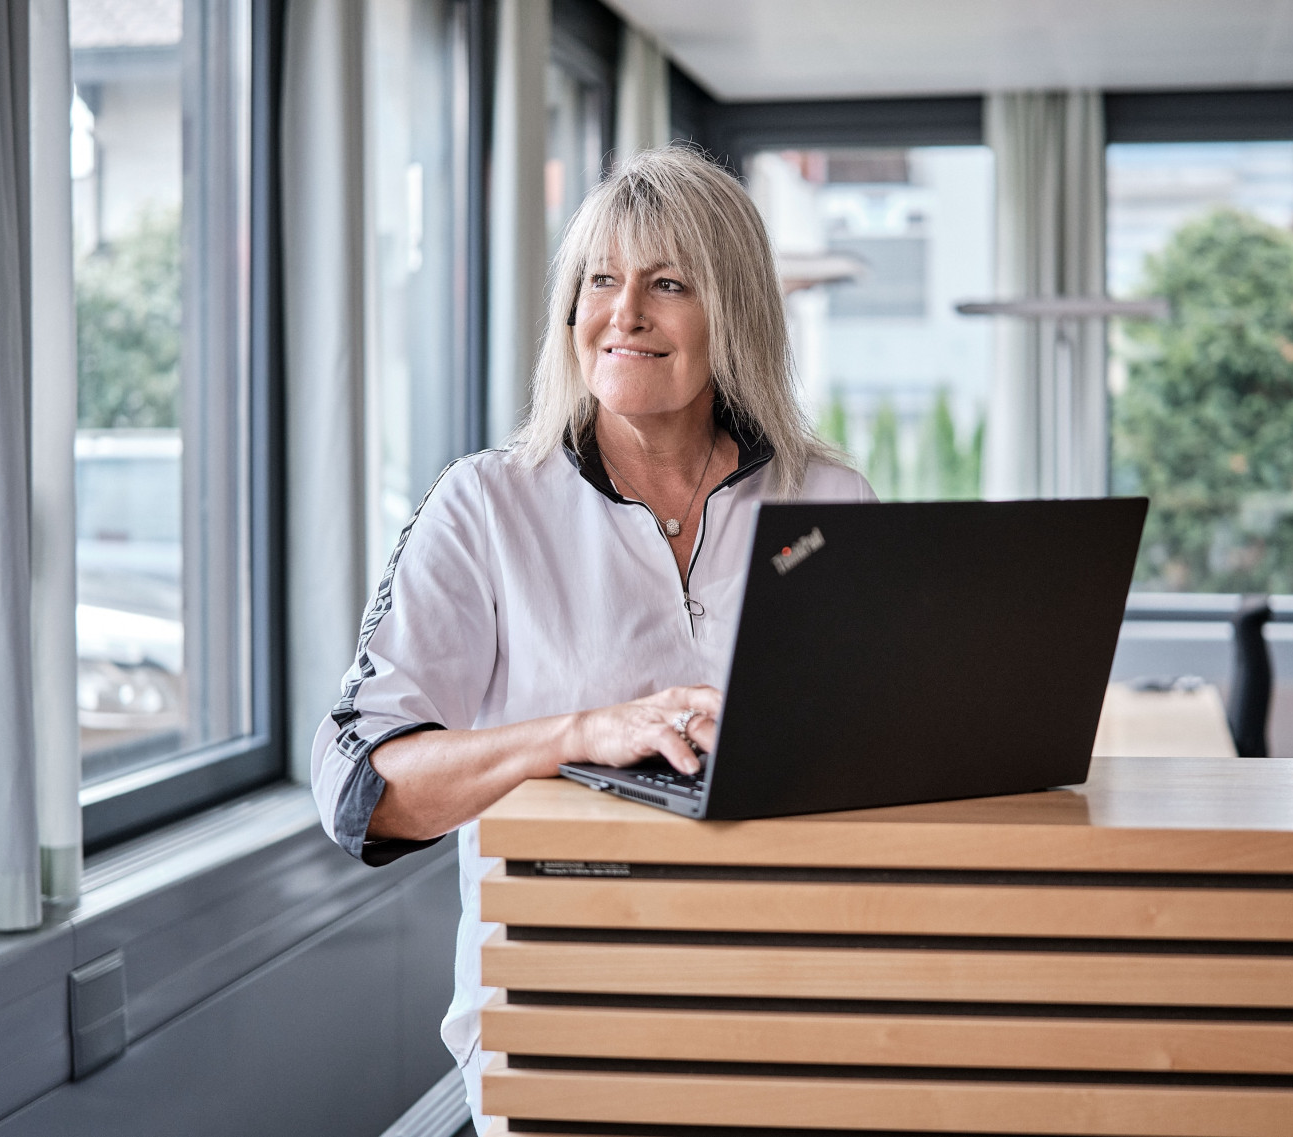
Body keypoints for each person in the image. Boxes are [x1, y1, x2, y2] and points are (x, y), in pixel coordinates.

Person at [309, 145, 873, 1128]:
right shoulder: (484, 504)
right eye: (600, 282)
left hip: (790, 1003)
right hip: (560, 1021)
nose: (626, 314)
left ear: (730, 309)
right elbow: (362, 789)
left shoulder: (828, 501)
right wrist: (576, 735)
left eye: (668, 284)